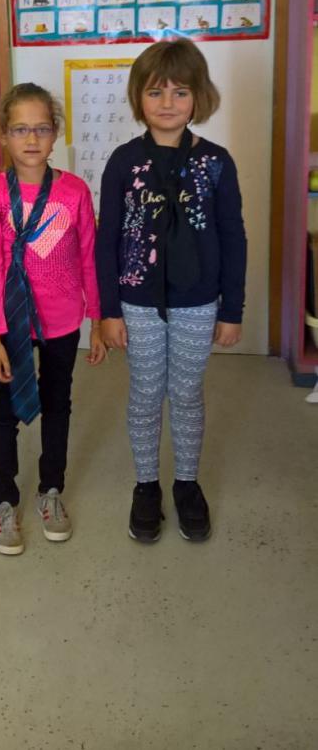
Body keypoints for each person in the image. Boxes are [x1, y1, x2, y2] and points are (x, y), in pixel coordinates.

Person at [96, 38, 246, 544]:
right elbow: (107, 239)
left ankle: (186, 483)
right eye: (155, 92)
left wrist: (232, 309)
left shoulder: (217, 162)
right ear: (139, 97)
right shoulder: (123, 161)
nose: (167, 103)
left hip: (198, 302)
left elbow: (233, 237)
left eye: (180, 92)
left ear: (198, 97)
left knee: (184, 394)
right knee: (144, 393)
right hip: (136, 302)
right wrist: (109, 311)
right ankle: (146, 485)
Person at [0, 82, 105, 556]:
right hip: (11, 321)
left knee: (58, 403)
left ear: (55, 134)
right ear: (3, 135)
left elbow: (89, 257)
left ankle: (51, 489)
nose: (31, 139)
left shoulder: (73, 192)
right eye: (20, 129)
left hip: (62, 320)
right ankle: (3, 499)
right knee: (4, 409)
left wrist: (96, 318)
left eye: (42, 129)